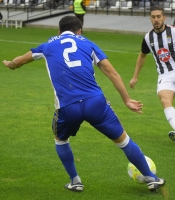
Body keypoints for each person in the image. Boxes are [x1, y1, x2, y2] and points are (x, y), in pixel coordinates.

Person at [2, 16, 165, 192]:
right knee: (123, 140)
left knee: (61, 139)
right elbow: (113, 73)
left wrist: (10, 64)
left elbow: (18, 62)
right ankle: (151, 177)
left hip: (67, 106)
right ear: (79, 31)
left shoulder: (47, 45)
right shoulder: (87, 43)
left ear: (59, 31)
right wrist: (127, 100)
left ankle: (75, 181)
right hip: (95, 103)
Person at [130, 5, 175, 143]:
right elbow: (142, 55)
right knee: (165, 100)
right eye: (153, 17)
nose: (156, 20)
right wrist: (135, 76)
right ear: (150, 19)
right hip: (165, 76)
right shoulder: (148, 37)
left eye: (158, 17)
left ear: (164, 17)